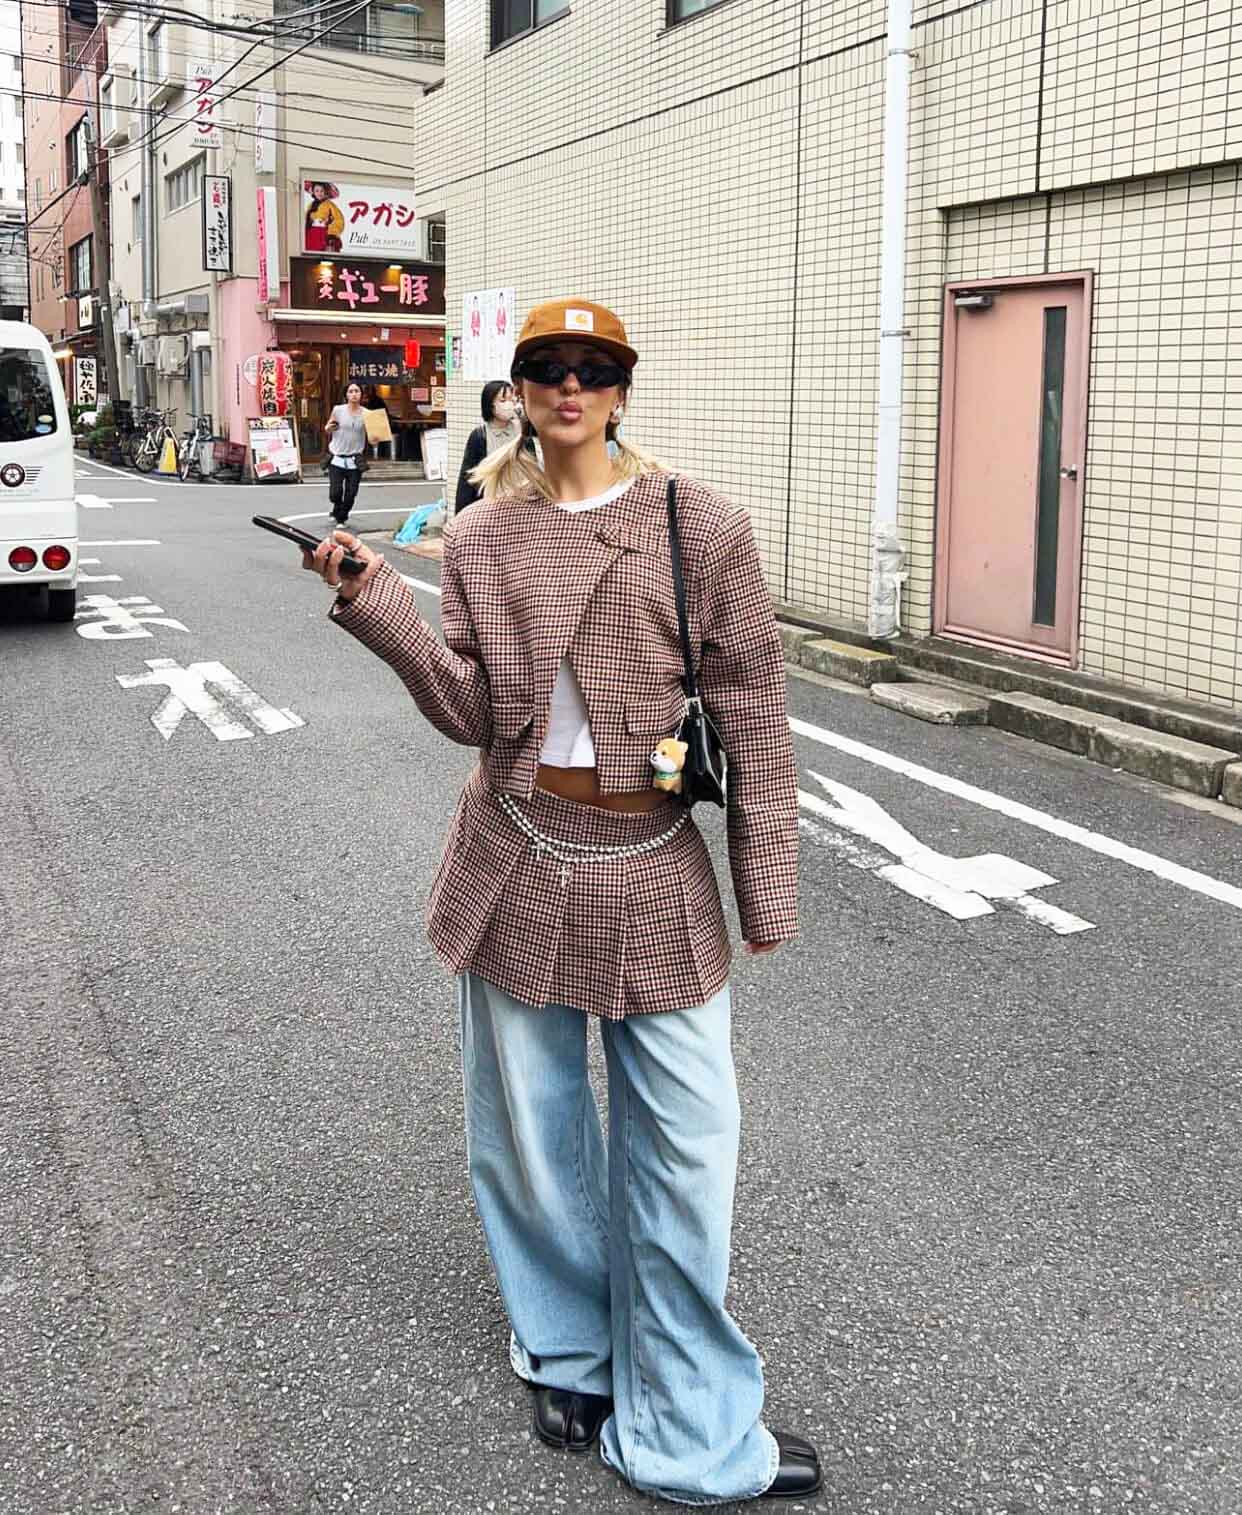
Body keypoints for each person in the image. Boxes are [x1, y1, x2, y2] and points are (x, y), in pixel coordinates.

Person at [303, 299, 820, 1505]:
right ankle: (568, 1354)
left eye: (593, 368)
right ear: (520, 391)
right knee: (531, 1135)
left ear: (623, 388)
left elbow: (753, 709)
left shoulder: (700, 523)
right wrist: (378, 602)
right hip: (518, 852)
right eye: (547, 368)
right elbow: (477, 713)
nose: (570, 386)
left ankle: (685, 1426)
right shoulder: (484, 535)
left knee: (685, 1151)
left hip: (653, 863)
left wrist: (766, 884)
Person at [453, 380, 520, 512]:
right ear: (490, 405)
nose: (509, 404)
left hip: (519, 504)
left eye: (511, 400)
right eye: (503, 400)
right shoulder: (480, 435)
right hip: (490, 506)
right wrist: (462, 514)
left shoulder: (521, 432)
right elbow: (468, 478)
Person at [324, 382, 368, 527]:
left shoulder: (367, 414)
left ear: (361, 394)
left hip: (355, 460)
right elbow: (328, 426)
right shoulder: (338, 410)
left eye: (357, 391)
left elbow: (373, 435)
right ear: (346, 395)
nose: (354, 394)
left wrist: (375, 438)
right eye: (351, 391)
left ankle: (341, 518)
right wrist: (328, 428)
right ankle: (337, 507)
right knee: (335, 493)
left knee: (351, 493)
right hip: (337, 458)